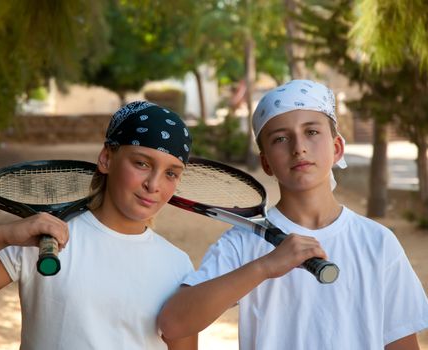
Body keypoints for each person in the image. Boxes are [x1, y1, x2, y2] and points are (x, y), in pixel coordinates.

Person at [158, 79, 428, 349]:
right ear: (266, 162)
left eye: (311, 131)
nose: (298, 147)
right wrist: (265, 267)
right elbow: (174, 323)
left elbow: (402, 342)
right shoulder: (241, 244)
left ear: (337, 148)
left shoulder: (378, 242)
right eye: (281, 138)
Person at [0, 101, 198, 350]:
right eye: (142, 163)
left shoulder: (177, 265)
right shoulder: (45, 239)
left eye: (171, 173)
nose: (154, 185)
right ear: (106, 158)